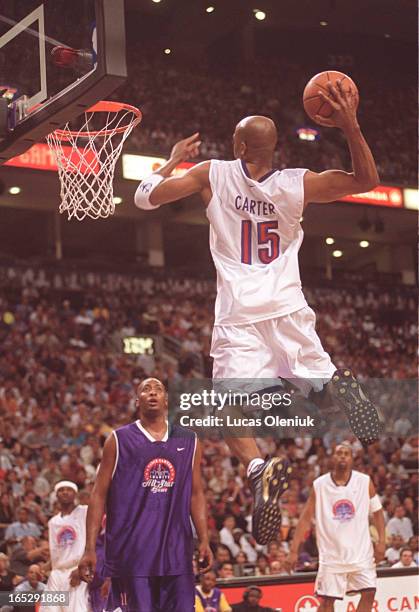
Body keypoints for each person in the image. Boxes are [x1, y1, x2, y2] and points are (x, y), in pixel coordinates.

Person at [134, 80, 382, 544]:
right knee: (321, 392)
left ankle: (256, 468)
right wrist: (349, 125)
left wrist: (168, 160)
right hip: (288, 305)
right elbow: (367, 181)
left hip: (239, 314)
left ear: (239, 145)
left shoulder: (211, 173)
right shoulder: (297, 183)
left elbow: (145, 198)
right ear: (273, 149)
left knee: (228, 407)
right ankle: (342, 388)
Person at [78, 377, 213, 612]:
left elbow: (196, 494)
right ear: (136, 401)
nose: (152, 393)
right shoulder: (118, 439)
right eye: (146, 390)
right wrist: (89, 548)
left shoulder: (188, 439)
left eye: (158, 389)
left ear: (166, 399)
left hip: (176, 553)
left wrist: (204, 539)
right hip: (132, 555)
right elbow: (98, 495)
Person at [288, 443, 385, 611]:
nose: (342, 456)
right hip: (332, 555)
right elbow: (305, 519)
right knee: (326, 602)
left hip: (361, 554)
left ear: (352, 459)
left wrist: (382, 542)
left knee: (369, 593)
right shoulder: (319, 485)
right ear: (332, 457)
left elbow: (378, 512)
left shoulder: (364, 482)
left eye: (347, 453)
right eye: (339, 452)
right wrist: (294, 550)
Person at [40, 481, 89, 612]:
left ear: (75, 494)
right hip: (56, 574)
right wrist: (46, 566)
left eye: (69, 490)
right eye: (61, 490)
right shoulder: (53, 522)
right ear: (56, 495)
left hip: (76, 570)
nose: (65, 492)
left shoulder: (84, 512)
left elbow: (92, 543)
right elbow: (58, 551)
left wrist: (82, 568)